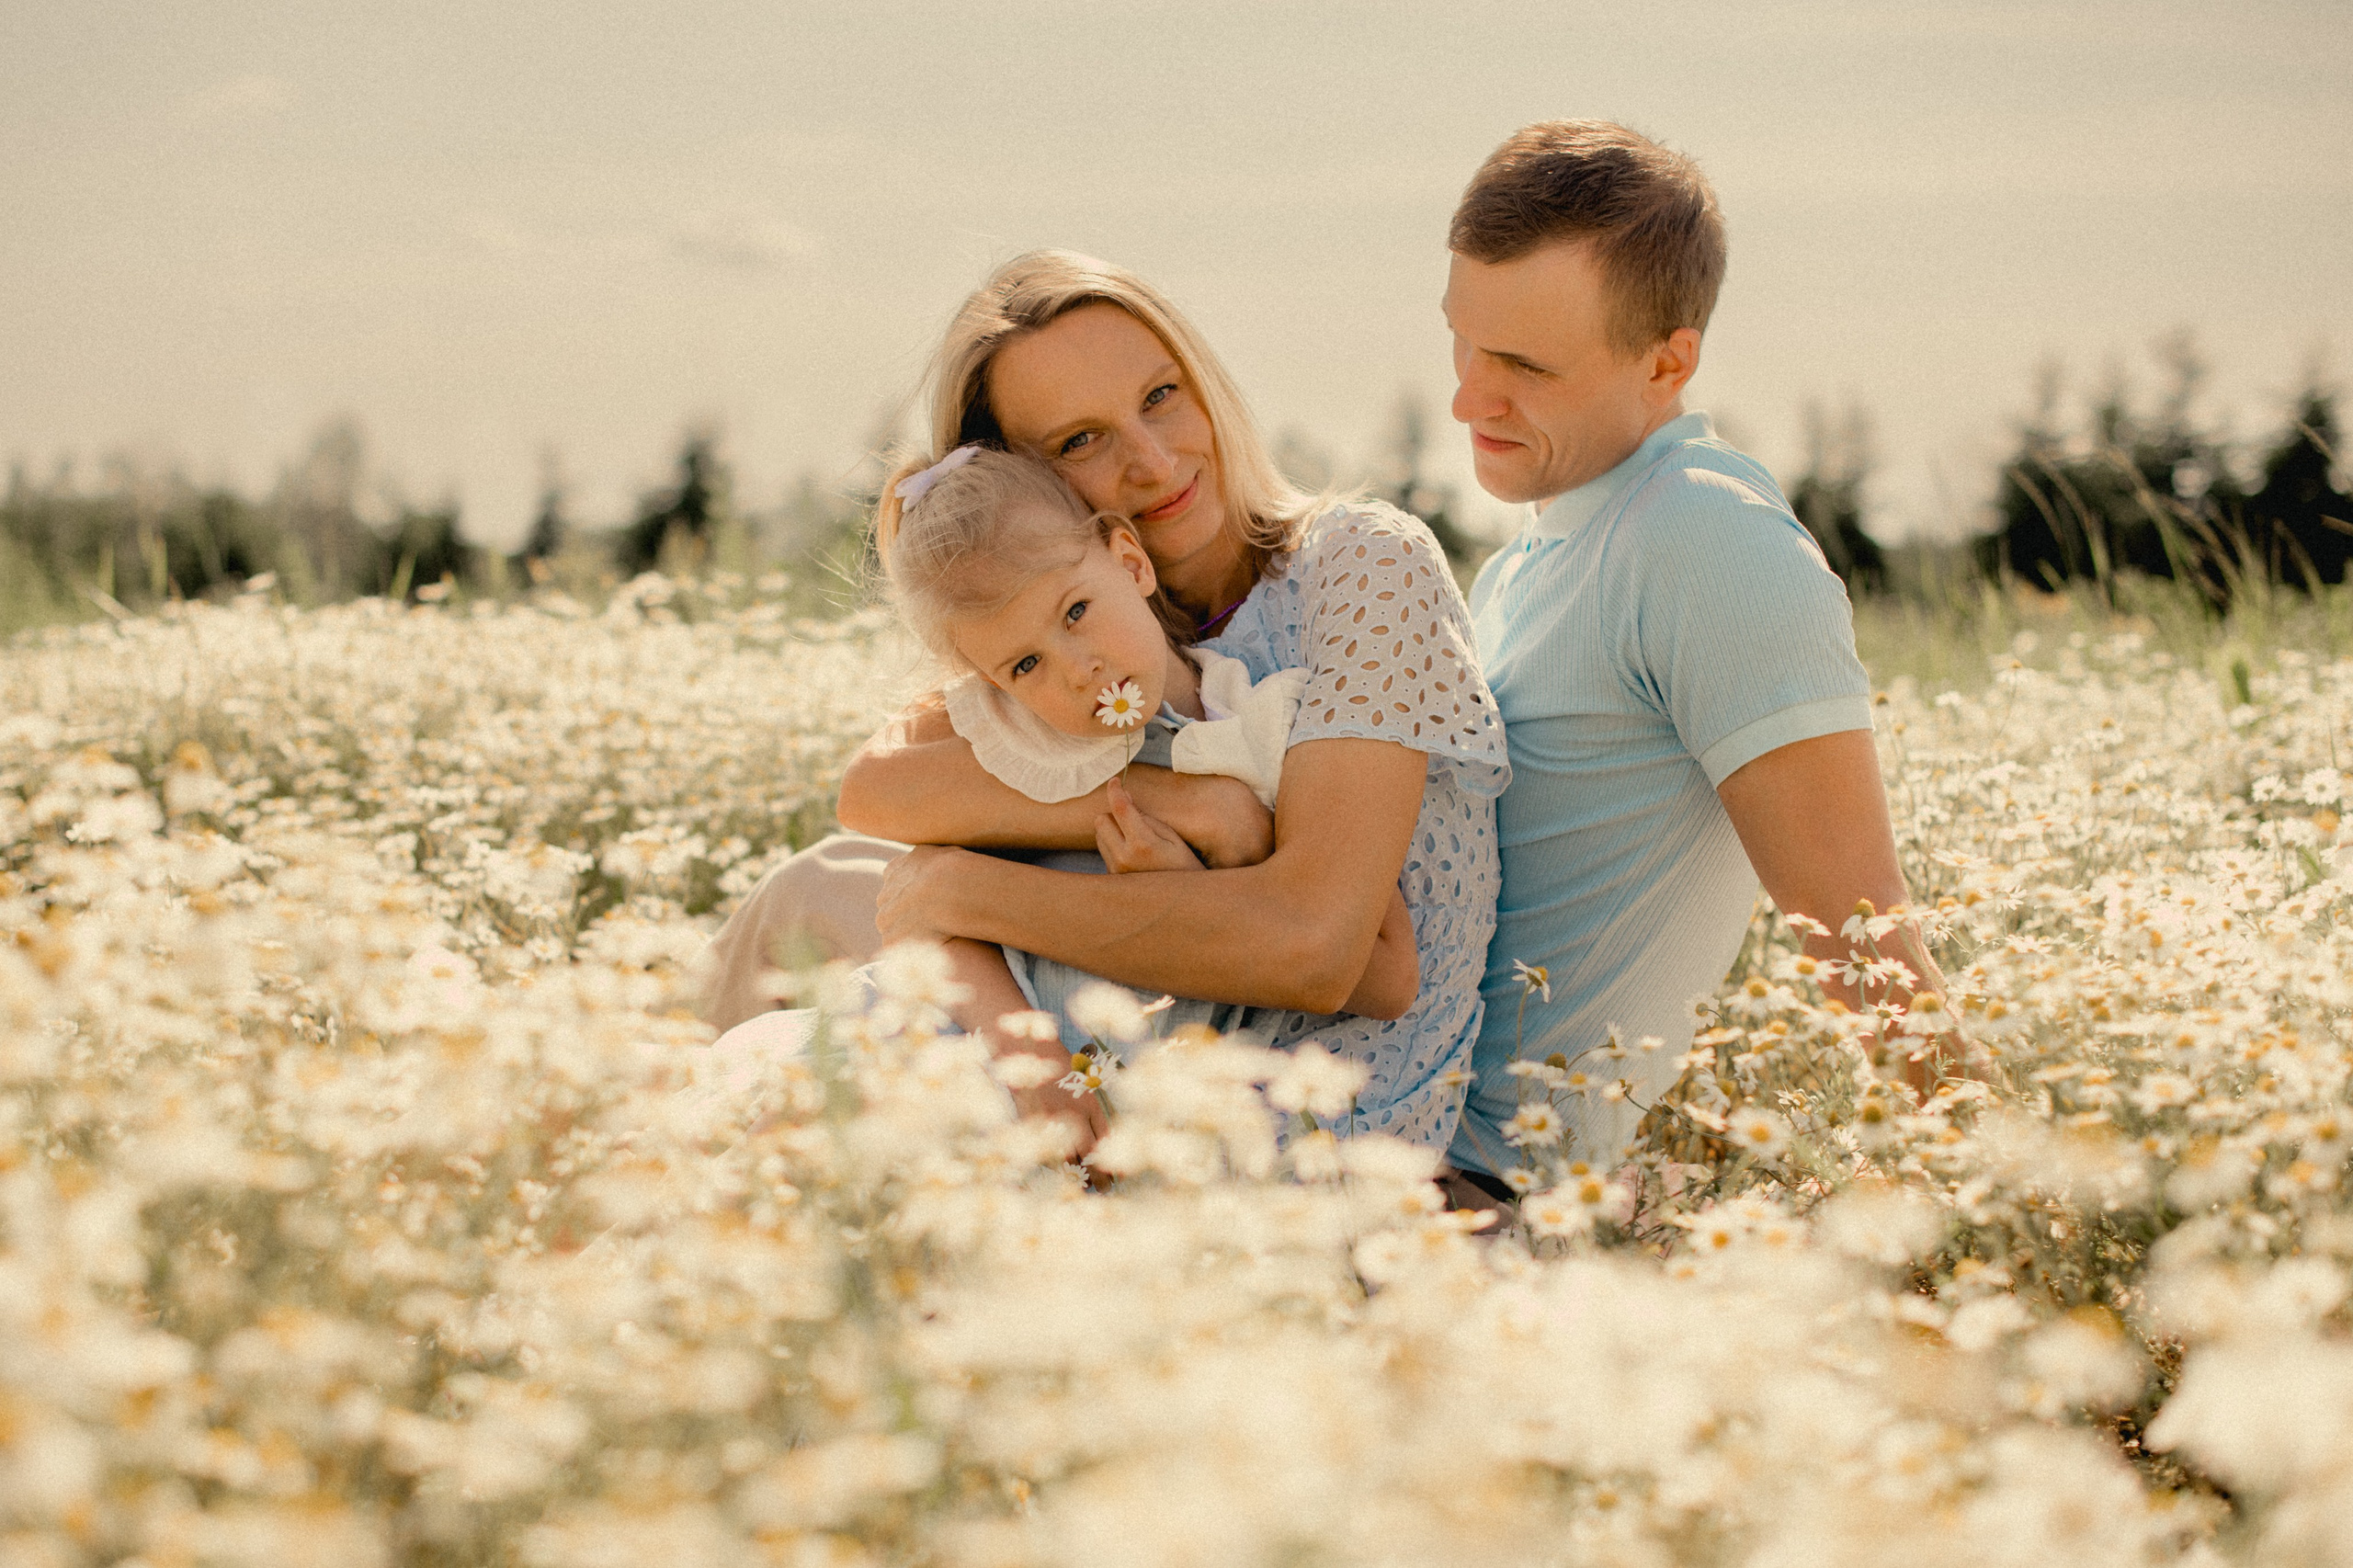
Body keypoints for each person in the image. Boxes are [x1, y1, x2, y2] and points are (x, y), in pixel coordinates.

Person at [703, 251, 1506, 1155]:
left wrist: (972, 893)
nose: (1153, 461)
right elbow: (876, 787)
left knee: (800, 1029)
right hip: (1101, 1062)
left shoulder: (1359, 563)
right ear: (1015, 484)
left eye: (1161, 395)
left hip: (1307, 1123)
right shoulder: (1067, 635)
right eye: (1079, 441)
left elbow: (1318, 950)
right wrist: (1180, 805)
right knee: (796, 935)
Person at [1434, 119, 1951, 1198]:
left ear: (1667, 362)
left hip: (1482, 1195)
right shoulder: (1522, 564)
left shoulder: (1701, 539)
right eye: (1463, 341)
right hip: (1380, 1148)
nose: (1468, 399)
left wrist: (2029, 1230)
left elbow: (1868, 949)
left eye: (1524, 366)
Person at [865, 439, 1421, 1096]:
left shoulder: (1259, 725)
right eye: (1025, 665)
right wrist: (1032, 1070)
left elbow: (1384, 976)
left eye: (1075, 612)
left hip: (1162, 1105)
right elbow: (933, 924)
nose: (1079, 671)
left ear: (1131, 565)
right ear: (993, 684)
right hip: (987, 1072)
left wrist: (1191, 884)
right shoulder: (1012, 748)